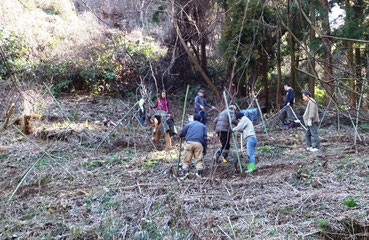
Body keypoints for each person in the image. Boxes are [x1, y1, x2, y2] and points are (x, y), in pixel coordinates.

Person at [179, 114, 208, 179]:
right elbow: (205, 138)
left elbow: (181, 134)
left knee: (186, 160)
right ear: (200, 119)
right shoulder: (203, 126)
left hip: (189, 143)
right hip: (199, 143)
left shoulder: (188, 125)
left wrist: (181, 134)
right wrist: (205, 149)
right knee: (198, 160)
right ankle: (198, 174)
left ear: (193, 119)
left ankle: (185, 174)